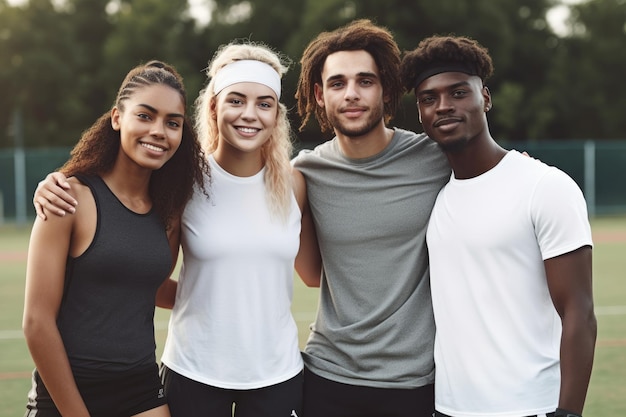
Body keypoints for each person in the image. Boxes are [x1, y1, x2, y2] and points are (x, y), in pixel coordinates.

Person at [32, 41, 321, 417]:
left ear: (277, 115)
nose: (249, 114)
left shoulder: (297, 184)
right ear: (214, 106)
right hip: (193, 369)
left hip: (277, 372)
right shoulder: (183, 184)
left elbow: (312, 274)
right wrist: (55, 181)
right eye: (235, 100)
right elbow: (149, 273)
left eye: (264, 104)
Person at [400, 35, 597, 417]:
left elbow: (579, 312)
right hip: (448, 408)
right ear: (420, 112)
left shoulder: (545, 187)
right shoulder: (435, 194)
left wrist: (568, 412)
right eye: (429, 98)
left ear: (485, 97)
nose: (443, 106)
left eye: (458, 93)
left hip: (531, 407)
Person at [23, 60, 209, 417]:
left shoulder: (168, 212)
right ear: (116, 118)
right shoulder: (69, 197)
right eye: (145, 115)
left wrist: (224, 289)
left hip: (139, 386)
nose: (159, 131)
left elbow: (151, 288)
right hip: (66, 390)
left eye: (173, 123)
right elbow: (36, 322)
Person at [292, 19, 450, 417]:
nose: (351, 94)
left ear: (386, 88)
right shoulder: (306, 172)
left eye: (365, 81)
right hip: (326, 375)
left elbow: (496, 171)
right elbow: (312, 274)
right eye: (337, 83)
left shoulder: (435, 159)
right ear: (319, 94)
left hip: (414, 381)